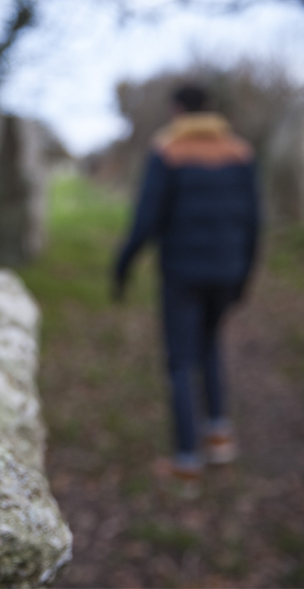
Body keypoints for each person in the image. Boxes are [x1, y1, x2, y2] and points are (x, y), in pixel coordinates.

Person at [113, 83, 260, 490]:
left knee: (180, 361)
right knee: (211, 343)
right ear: (209, 108)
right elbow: (253, 221)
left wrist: (123, 265)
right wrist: (245, 274)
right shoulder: (240, 152)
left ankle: (186, 458)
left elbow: (146, 218)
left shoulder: (168, 151)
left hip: (182, 272)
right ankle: (218, 436)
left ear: (177, 110)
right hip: (228, 270)